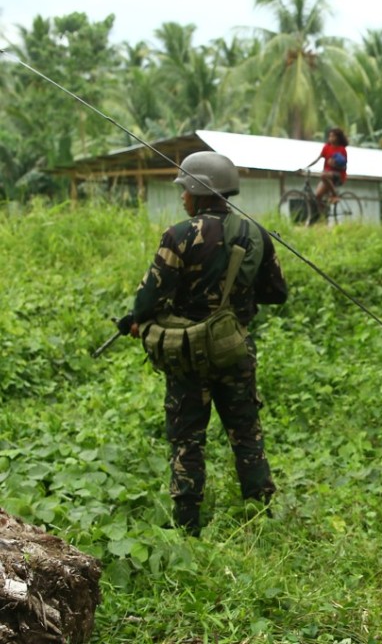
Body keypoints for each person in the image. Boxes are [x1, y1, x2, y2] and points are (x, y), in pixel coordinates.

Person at [119, 151, 288, 536]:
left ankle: (187, 527)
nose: (181, 197)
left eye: (184, 190)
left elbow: (148, 301)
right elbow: (277, 293)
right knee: (246, 432)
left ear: (197, 192)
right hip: (234, 350)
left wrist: (140, 320)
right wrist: (235, 300)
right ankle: (261, 514)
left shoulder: (178, 236)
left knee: (187, 438)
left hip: (188, 355)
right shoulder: (256, 234)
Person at [305, 127, 349, 204]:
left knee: (323, 175)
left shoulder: (342, 149)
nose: (330, 138)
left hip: (338, 176)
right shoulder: (326, 147)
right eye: (330, 136)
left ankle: (335, 195)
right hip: (327, 176)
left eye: (333, 136)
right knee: (318, 196)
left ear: (338, 138)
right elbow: (318, 159)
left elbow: (344, 166)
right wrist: (306, 167)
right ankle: (323, 215)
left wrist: (334, 165)